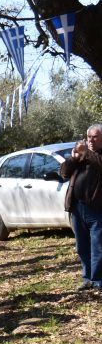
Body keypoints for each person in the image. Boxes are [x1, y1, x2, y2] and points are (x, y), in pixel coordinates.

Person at [61, 124, 102, 291]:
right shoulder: (82, 156)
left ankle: (98, 280)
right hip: (77, 208)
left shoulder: (96, 156)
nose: (91, 140)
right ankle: (87, 278)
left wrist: (87, 153)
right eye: (89, 137)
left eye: (95, 137)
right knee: (82, 246)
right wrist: (73, 158)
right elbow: (64, 173)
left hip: (97, 210)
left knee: (98, 247)